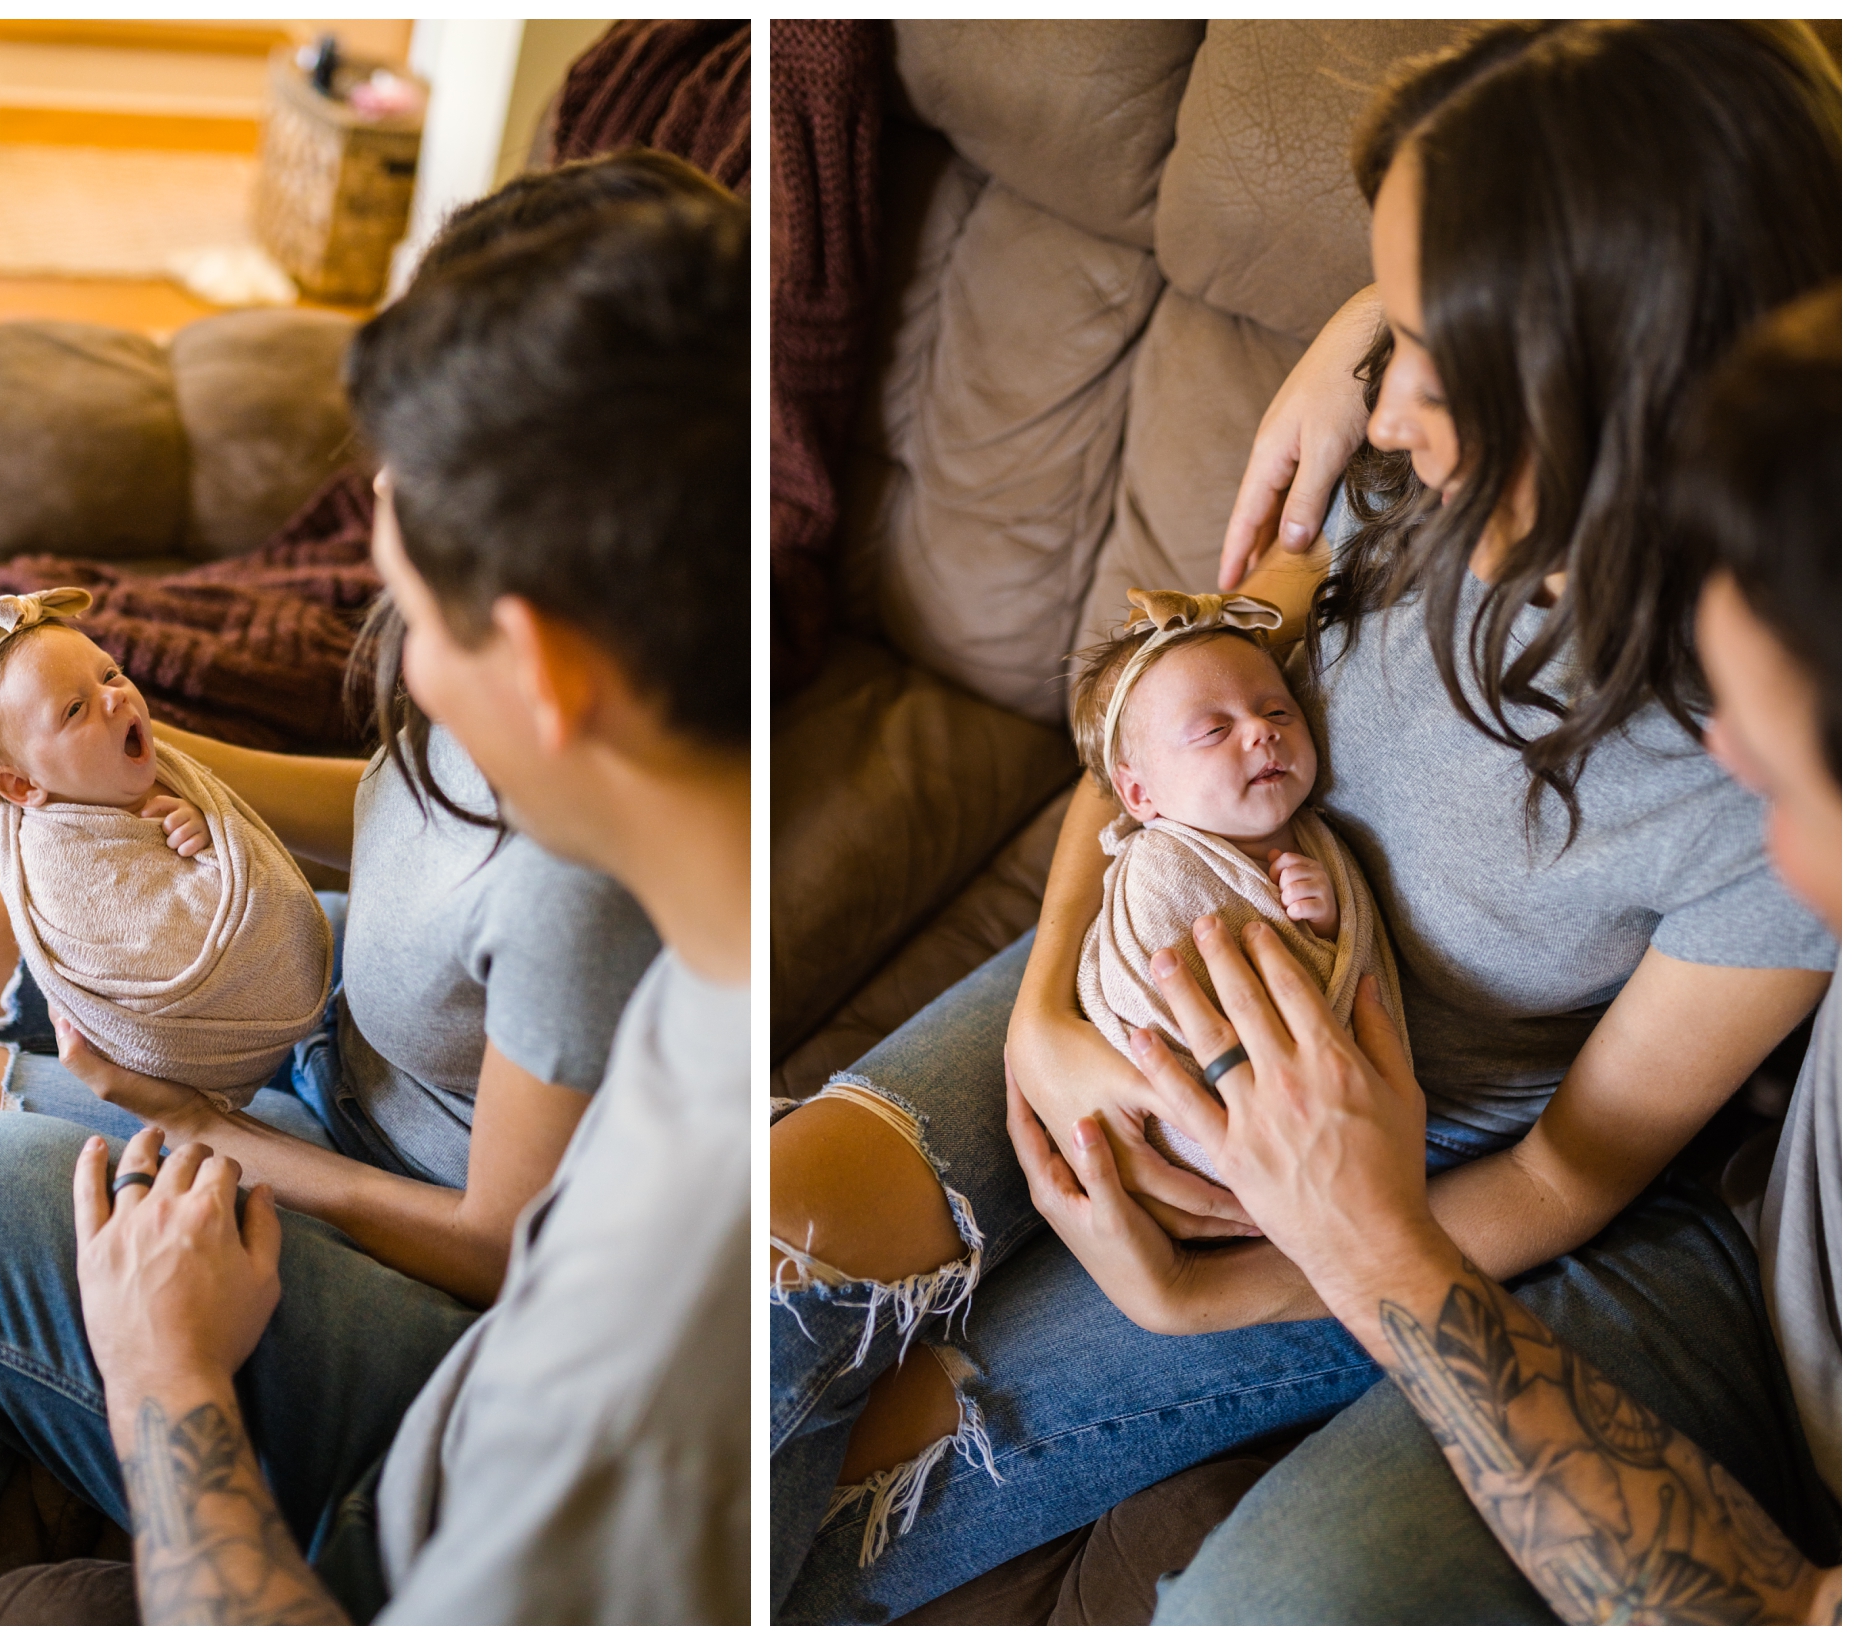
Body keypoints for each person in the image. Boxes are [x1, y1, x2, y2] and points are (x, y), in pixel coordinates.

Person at [767, 21, 1838, 1621]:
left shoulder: (1777, 756)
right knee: (754, 1273)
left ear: (1604, 378)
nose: (1376, 400)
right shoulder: (1411, 480)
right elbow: (1155, 731)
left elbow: (1567, 1179)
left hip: (1413, 1148)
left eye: (1424, 350)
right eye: (1383, 335)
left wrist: (1214, 1297)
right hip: (1149, 937)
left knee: (884, 1476)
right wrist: (1055, 999)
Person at [0, 161, 752, 1623]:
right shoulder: (652, 706)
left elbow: (501, 1253)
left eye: (413, 616)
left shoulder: (639, 1305)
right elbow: (394, 810)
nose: (398, 661)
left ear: (539, 667)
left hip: (412, 1353)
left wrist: (168, 1357)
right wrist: (126, 760)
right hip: (347, 1058)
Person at [1139, 284, 1840, 1623]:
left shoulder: (1747, 859)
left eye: (1765, 741)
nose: (1726, 759)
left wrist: (1350, 1248)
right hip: (1746, 1278)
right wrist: (1354, 338)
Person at [0, 587, 332, 1109]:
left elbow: (225, 863)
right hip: (191, 1046)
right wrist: (209, 852)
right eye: (74, 709)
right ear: (21, 790)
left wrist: (207, 828)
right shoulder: (64, 869)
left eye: (109, 673)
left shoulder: (113, 774)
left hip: (282, 995)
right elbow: (154, 949)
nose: (115, 697)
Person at [1059, 587, 1404, 1181]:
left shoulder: (1316, 837)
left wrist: (1324, 919)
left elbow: (1345, 963)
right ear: (1140, 794)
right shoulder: (1161, 874)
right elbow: (1160, 987)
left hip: (1333, 1129)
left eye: (1277, 712)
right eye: (1214, 730)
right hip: (1192, 1119)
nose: (1260, 733)